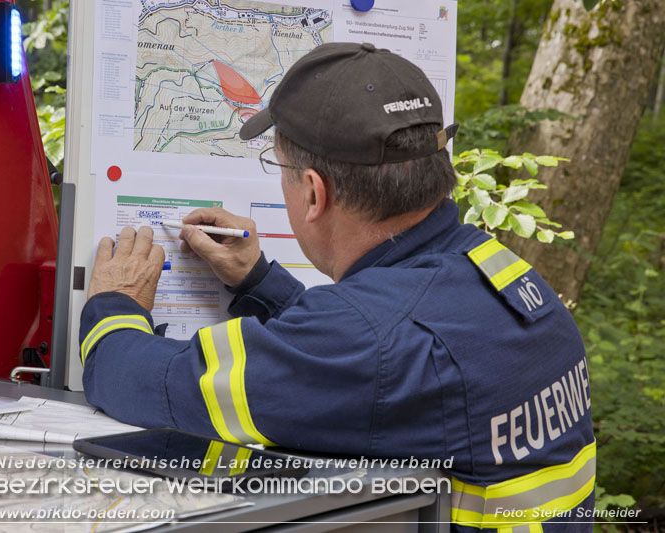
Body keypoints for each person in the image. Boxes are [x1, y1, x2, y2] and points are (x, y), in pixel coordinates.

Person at [81, 43, 595, 531]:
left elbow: (150, 381)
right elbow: (388, 357)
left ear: (312, 193)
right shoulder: (501, 273)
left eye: (278, 169)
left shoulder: (373, 344)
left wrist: (115, 302)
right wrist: (260, 281)